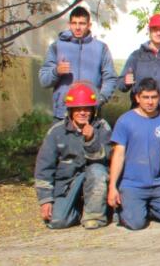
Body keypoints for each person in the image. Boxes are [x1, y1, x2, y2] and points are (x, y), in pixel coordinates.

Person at [34, 82, 112, 229]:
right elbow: (44, 168)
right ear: (70, 110)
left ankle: (94, 216)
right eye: (78, 109)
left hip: (95, 181)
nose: (83, 113)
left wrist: (91, 140)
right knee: (57, 222)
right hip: (67, 185)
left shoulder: (102, 127)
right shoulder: (56, 132)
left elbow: (108, 157)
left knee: (97, 170)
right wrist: (45, 200)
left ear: (93, 110)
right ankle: (78, 212)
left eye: (87, 109)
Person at [107, 78, 160, 230]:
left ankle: (145, 207)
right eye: (145, 97)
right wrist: (112, 186)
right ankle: (128, 209)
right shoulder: (125, 121)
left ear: (159, 97)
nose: (150, 102)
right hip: (132, 184)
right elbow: (118, 155)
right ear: (137, 98)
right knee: (136, 224)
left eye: (153, 97)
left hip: (157, 183)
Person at [39, 6, 118, 120]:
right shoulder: (57, 47)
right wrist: (56, 71)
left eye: (82, 23)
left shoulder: (101, 48)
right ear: (69, 24)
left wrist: (99, 101)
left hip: (91, 113)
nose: (77, 27)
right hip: (63, 114)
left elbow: (110, 78)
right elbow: (44, 81)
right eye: (74, 23)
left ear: (89, 25)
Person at [117, 13, 160, 121]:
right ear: (149, 31)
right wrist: (125, 82)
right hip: (139, 113)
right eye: (154, 29)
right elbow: (120, 85)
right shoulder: (137, 55)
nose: (158, 33)